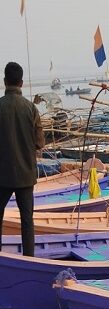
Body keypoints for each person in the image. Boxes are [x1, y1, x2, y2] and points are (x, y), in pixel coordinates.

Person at [0, 62, 45, 256]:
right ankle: (29, 258)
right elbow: (39, 143)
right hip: (26, 176)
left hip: (2, 176)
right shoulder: (31, 109)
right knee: (27, 220)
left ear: (4, 81)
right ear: (22, 83)